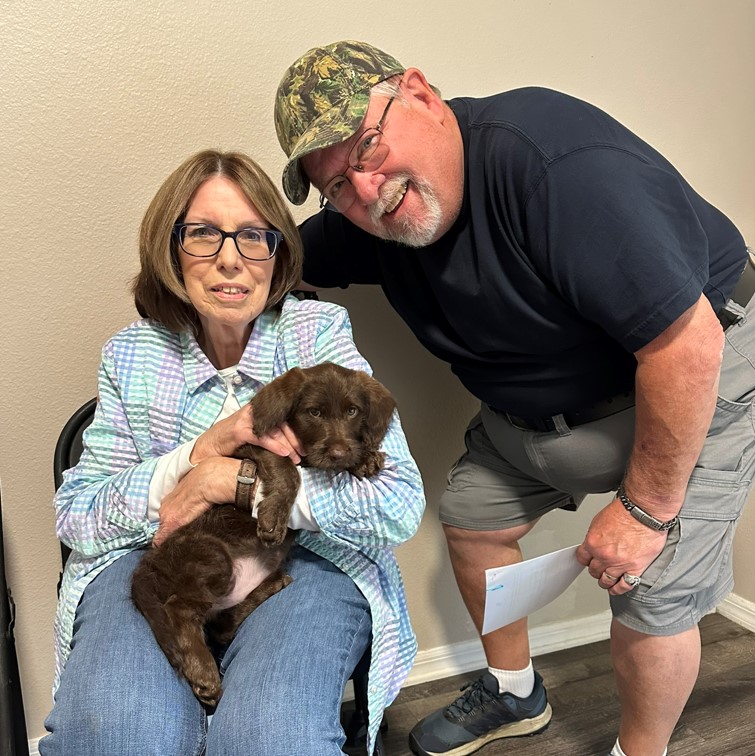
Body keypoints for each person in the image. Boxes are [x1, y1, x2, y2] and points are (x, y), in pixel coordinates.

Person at [273, 40, 755, 756]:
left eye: (367, 147)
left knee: (647, 591)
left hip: (690, 370)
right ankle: (512, 691)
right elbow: (267, 256)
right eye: (338, 185)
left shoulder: (555, 167)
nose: (366, 191)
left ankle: (639, 751)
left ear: (419, 93)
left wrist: (643, 511)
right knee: (471, 520)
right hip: (538, 414)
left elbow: (683, 348)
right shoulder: (369, 219)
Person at [41, 149, 425, 756]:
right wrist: (192, 463)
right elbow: (77, 515)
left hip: (304, 562)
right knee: (116, 734)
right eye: (203, 234)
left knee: (272, 740)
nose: (229, 258)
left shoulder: (317, 333)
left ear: (277, 251)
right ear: (172, 248)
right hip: (155, 560)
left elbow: (397, 505)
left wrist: (236, 484)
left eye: (253, 236)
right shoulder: (131, 355)